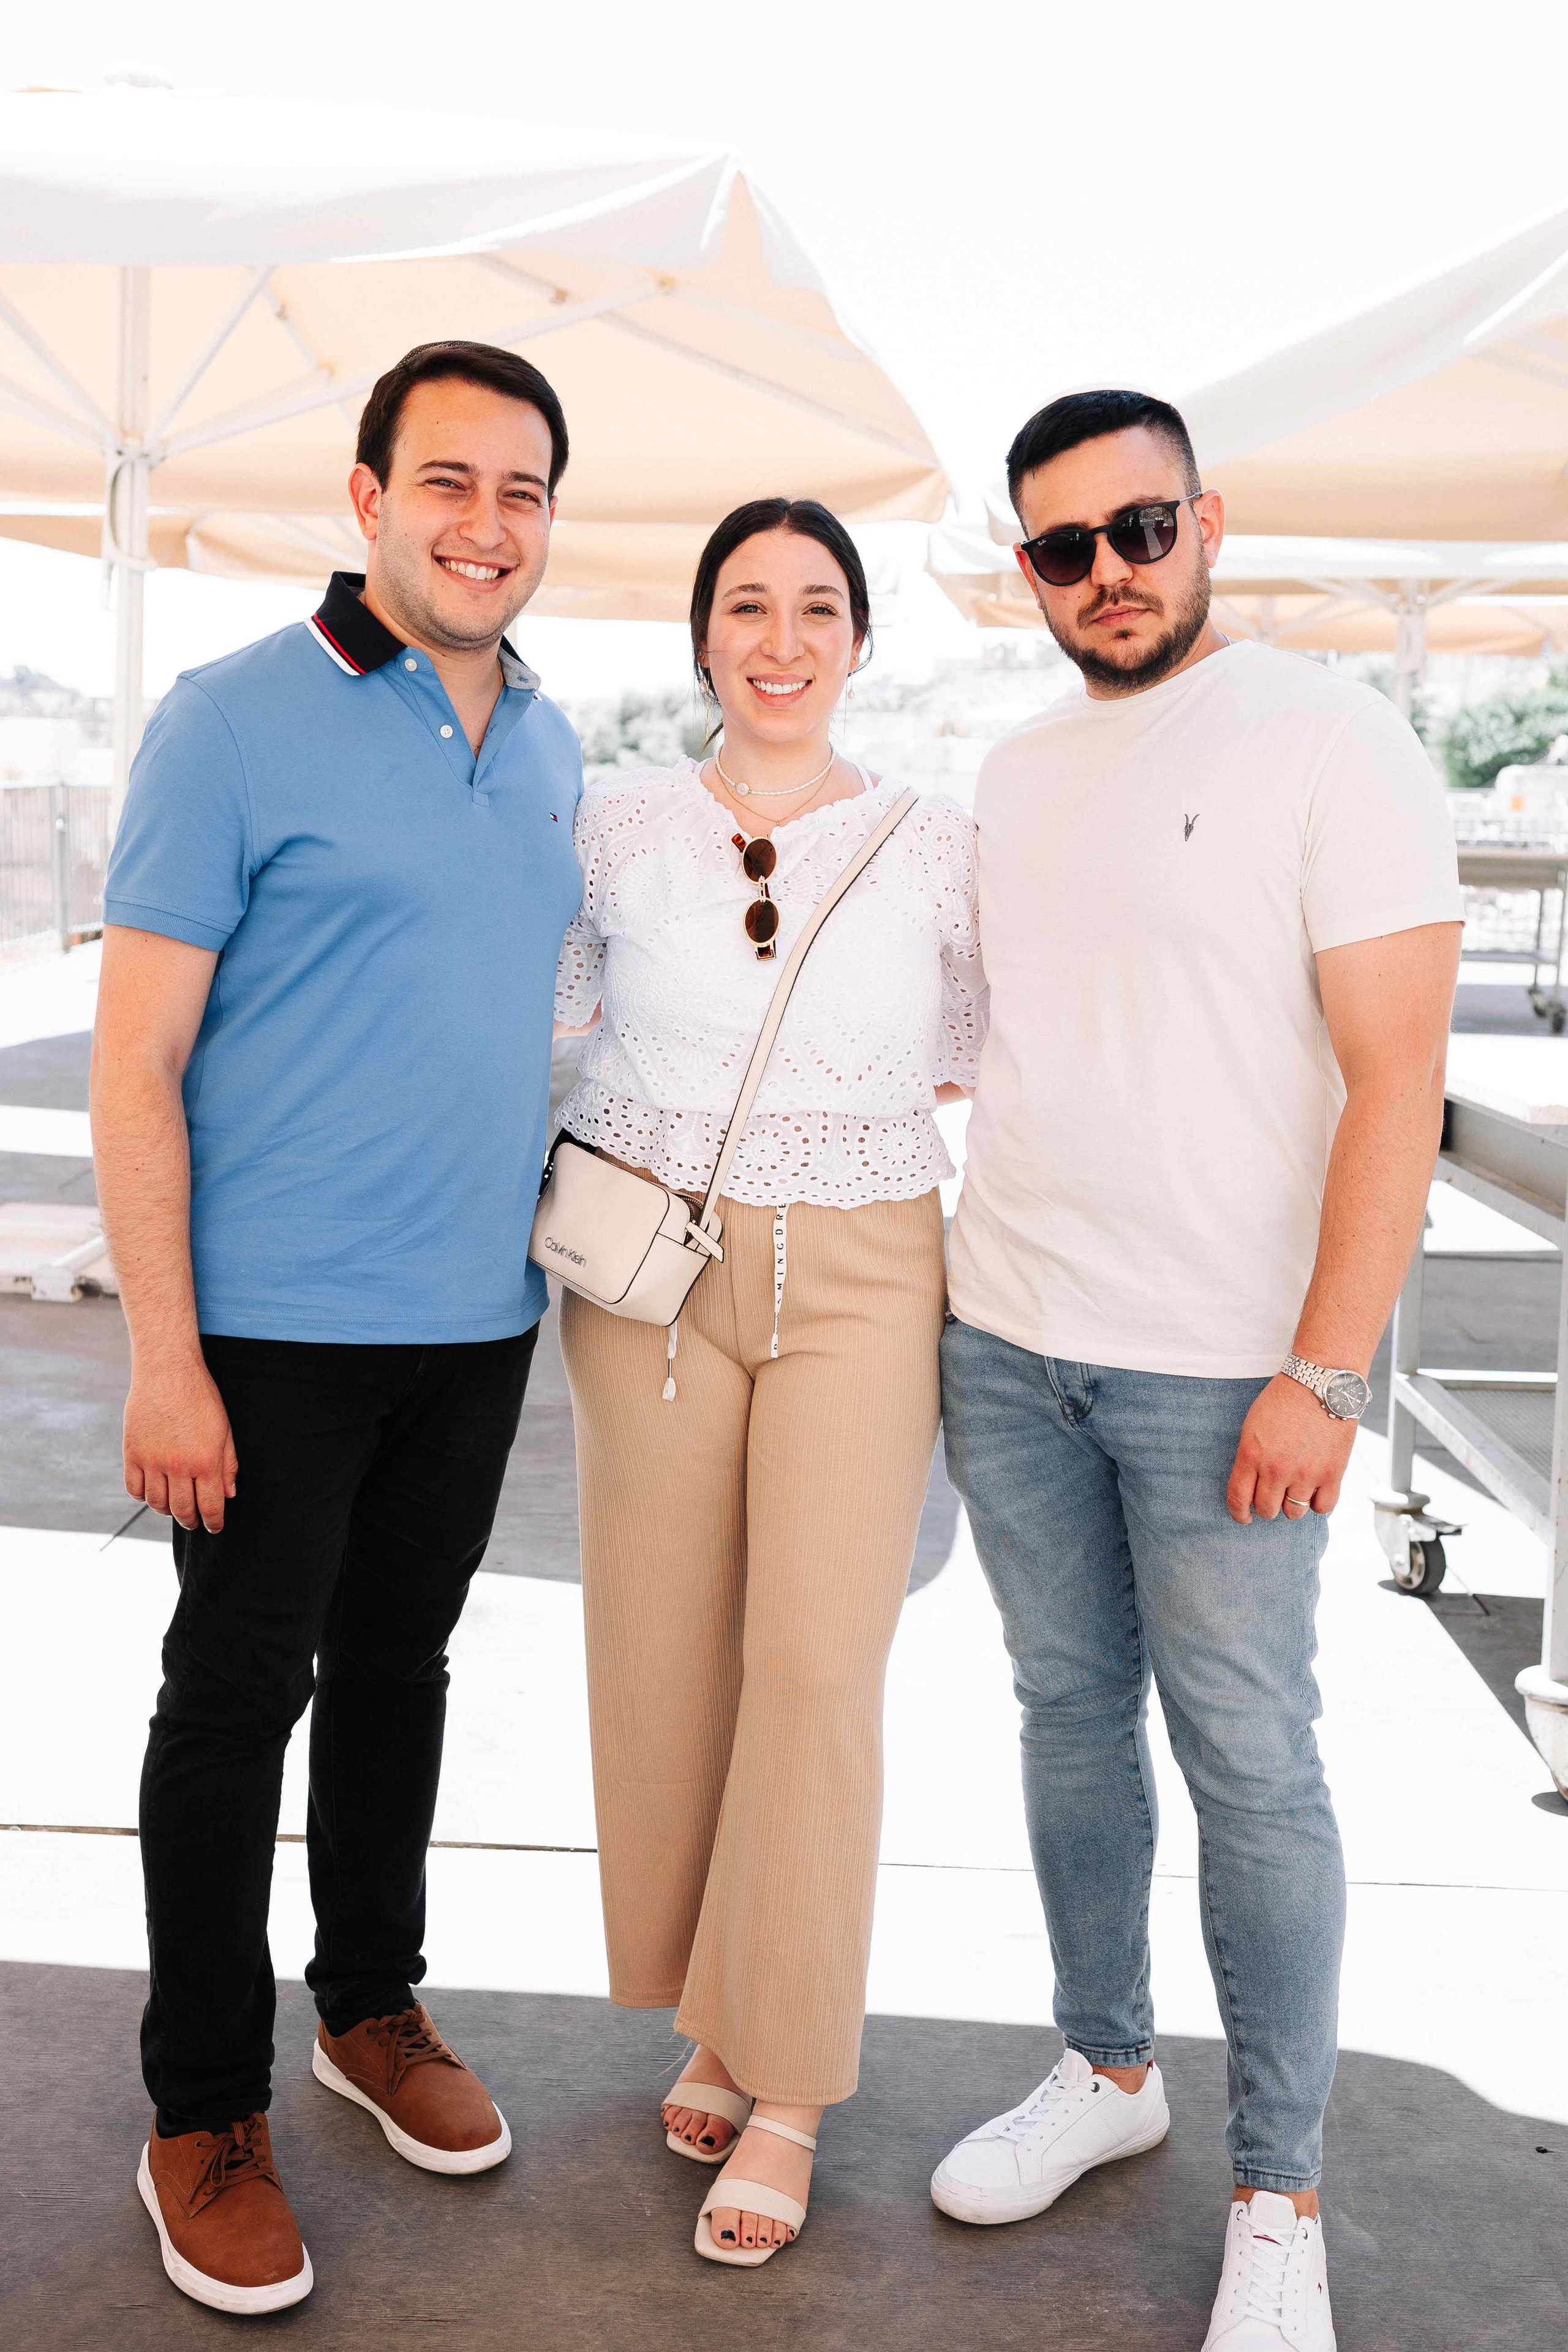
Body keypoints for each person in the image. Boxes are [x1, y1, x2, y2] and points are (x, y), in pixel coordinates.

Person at [930, 390, 1463, 2349]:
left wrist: (1329, 1372)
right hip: (1010, 1341)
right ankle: (1108, 2068)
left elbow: (1398, 1082)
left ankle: (1281, 2190)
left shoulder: (1334, 737)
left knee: (1250, 1761)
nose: (1109, 573)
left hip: (1227, 1372)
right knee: (1068, 1718)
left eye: (1140, 529)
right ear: (1027, 571)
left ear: (1208, 522)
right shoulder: (1013, 770)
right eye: (1064, 548)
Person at [92, 341, 584, 2315]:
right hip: (271, 1332)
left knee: (403, 1669)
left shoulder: (550, 739)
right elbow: (137, 1066)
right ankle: (200, 2111)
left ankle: (367, 2003)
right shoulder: (229, 721)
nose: (487, 523)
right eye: (449, 481)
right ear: (369, 496)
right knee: (234, 1708)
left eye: (523, 490)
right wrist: (165, 1354)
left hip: (478, 1320)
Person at [552, 496, 985, 2266]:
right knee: (663, 1649)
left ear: (862, 642)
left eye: (818, 608)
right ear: (702, 638)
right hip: (644, 1271)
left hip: (866, 1266)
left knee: (816, 1661)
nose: (782, 640)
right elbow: (540, 1012)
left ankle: (789, 2081)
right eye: (747, 605)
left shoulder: (937, 845)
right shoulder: (612, 824)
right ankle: (715, 2014)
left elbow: (976, 1053)